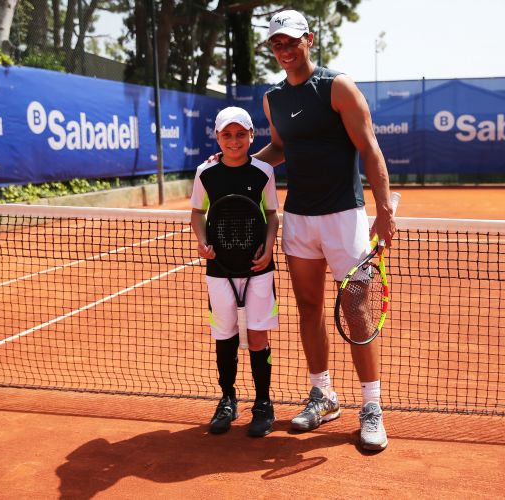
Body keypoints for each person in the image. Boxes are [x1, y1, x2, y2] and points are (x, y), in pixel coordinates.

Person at [256, 9, 397, 451]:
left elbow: (369, 149)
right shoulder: (272, 99)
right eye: (277, 44)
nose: (284, 51)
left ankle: (371, 406)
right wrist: (235, 165)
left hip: (344, 217)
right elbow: (280, 148)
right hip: (299, 218)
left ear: (309, 40)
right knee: (309, 307)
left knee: (355, 310)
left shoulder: (338, 87)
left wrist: (384, 210)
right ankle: (323, 395)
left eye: (291, 42)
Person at [190, 106, 280, 437]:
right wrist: (202, 242)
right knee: (224, 334)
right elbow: (198, 213)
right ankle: (227, 399)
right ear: (217, 137)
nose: (234, 141)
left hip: (258, 268)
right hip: (220, 269)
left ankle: (263, 403)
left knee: (258, 336)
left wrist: (269, 246)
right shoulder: (205, 173)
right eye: (227, 135)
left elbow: (272, 215)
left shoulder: (264, 172)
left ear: (252, 136)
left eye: (241, 134)